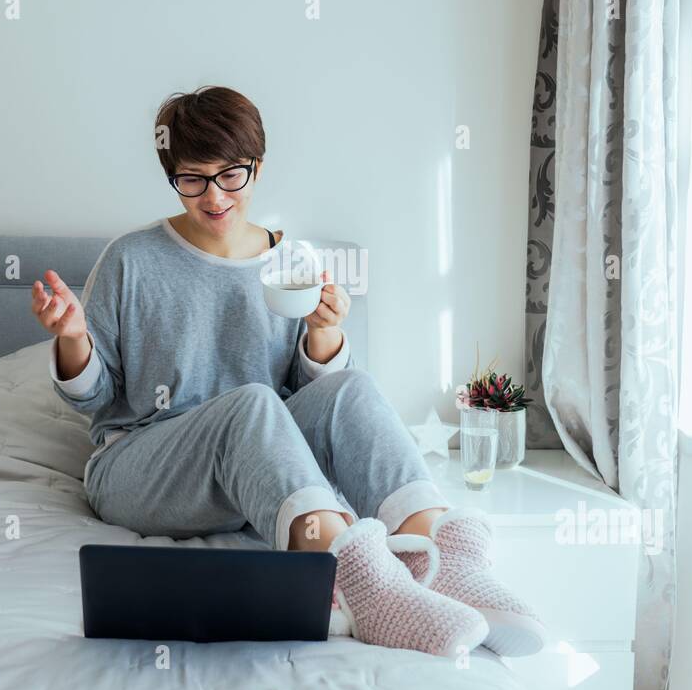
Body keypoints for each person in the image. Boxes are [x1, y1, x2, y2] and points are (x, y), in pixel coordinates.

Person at [32, 86, 545, 657]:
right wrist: (74, 337)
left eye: (232, 175)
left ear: (258, 167)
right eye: (192, 178)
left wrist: (324, 335)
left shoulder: (292, 263)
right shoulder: (130, 259)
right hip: (141, 465)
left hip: (259, 466)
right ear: (172, 177)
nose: (214, 195)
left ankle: (449, 559)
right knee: (252, 403)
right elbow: (90, 397)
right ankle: (353, 583)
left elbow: (311, 404)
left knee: (350, 385)